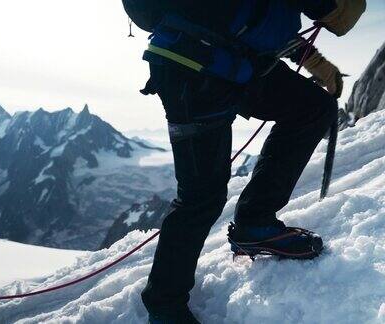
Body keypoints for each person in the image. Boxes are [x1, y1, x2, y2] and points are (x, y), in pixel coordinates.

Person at [135, 0, 366, 323]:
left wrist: (311, 58)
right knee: (202, 195)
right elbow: (334, 15)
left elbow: (254, 16)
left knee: (312, 107)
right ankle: (164, 304)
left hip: (229, 58)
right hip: (192, 64)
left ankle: (255, 223)